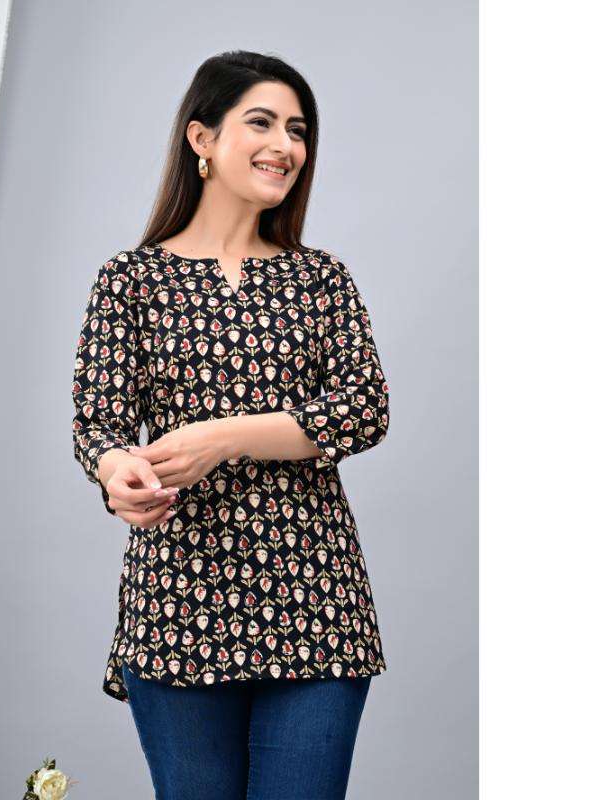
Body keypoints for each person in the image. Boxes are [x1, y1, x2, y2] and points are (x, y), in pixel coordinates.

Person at [71, 49, 390, 800]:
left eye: (298, 130)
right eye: (263, 123)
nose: (286, 145)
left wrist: (224, 436)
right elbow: (99, 424)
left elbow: (363, 407)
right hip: (178, 599)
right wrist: (120, 475)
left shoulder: (320, 278)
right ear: (202, 138)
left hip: (315, 596)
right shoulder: (130, 280)